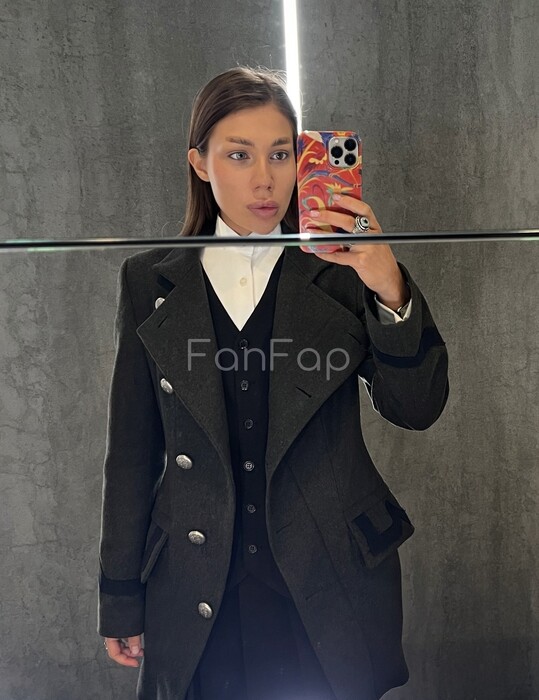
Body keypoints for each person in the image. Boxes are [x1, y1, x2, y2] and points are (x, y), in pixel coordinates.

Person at [98, 66, 449, 700]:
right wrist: (120, 593)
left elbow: (417, 407)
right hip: (197, 583)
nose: (265, 178)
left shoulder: (342, 273)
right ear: (200, 163)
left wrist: (388, 285)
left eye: (281, 153)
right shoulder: (149, 280)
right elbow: (131, 452)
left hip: (328, 578)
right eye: (240, 155)